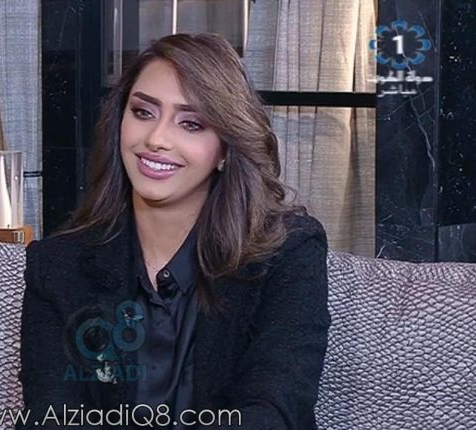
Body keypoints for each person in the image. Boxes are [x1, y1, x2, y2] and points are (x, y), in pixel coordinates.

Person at [18, 33, 330, 430]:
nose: (156, 139)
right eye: (143, 112)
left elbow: (272, 412)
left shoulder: (288, 254)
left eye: (191, 124)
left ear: (225, 149)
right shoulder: (58, 266)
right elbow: (52, 417)